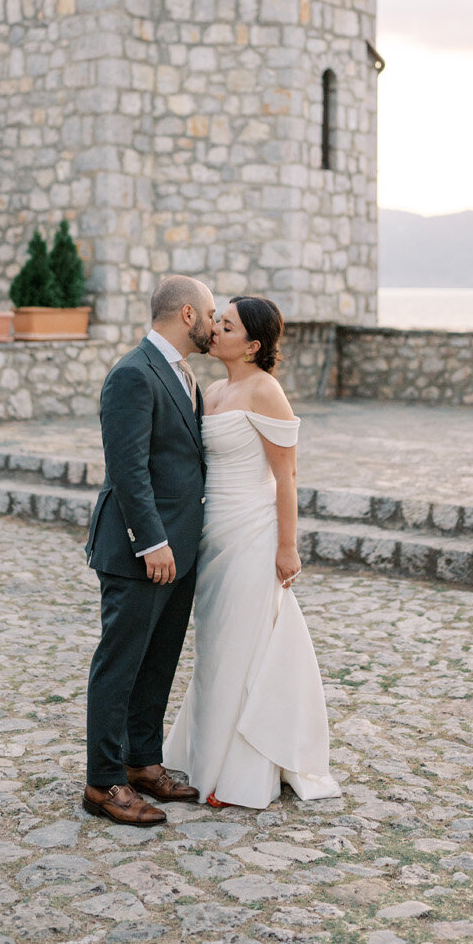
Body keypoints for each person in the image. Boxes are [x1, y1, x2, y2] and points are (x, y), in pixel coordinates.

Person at [164, 295, 340, 809]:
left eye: (228, 324)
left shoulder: (266, 390)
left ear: (254, 344)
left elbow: (287, 476)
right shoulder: (214, 388)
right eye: (217, 320)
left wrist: (288, 547)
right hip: (210, 533)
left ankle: (234, 771)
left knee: (242, 644)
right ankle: (205, 756)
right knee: (215, 647)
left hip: (252, 534)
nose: (216, 329)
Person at [83, 275, 217, 826]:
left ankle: (142, 763)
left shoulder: (185, 377)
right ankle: (103, 781)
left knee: (157, 663)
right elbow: (128, 471)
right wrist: (154, 542)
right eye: (210, 313)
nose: (215, 324)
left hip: (180, 552)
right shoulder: (132, 374)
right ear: (187, 315)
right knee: (120, 665)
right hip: (142, 551)